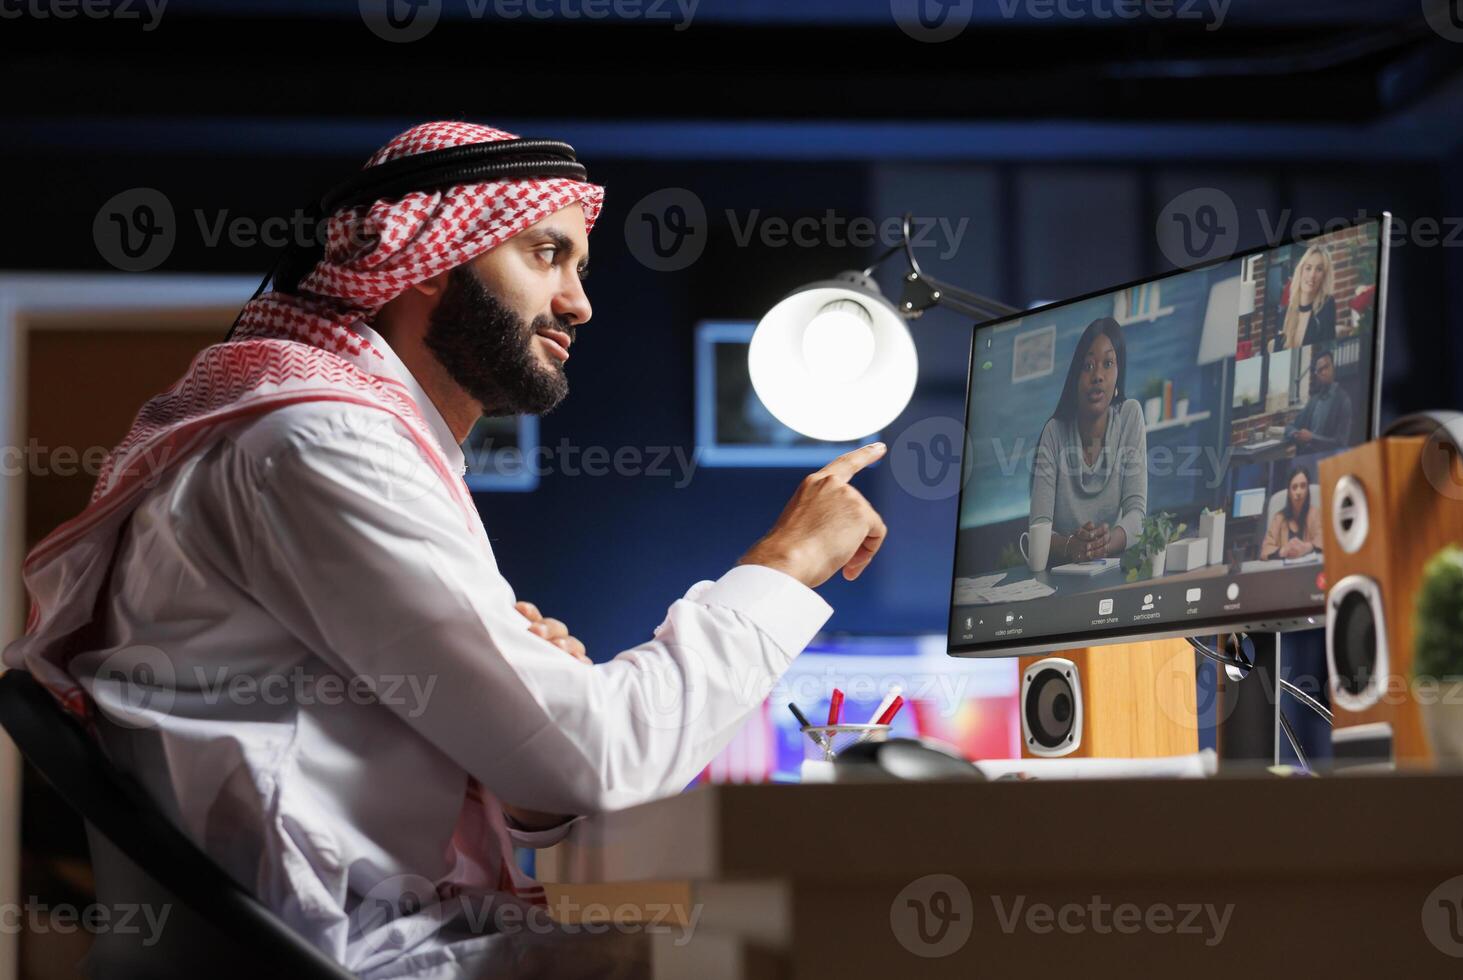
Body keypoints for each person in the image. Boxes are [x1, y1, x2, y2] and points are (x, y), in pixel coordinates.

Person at [2, 122, 890, 980]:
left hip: (354, 936)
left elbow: (555, 772)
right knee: (804, 953)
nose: (580, 302)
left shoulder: (352, 442)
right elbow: (606, 759)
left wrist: (531, 761)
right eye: (547, 255)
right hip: (352, 953)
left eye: (579, 267)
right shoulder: (319, 445)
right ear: (425, 261)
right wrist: (784, 565)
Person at [1029, 316, 1148, 565]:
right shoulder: (1054, 432)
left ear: (1119, 373)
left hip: (1110, 569)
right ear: (1076, 378)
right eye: (1088, 366)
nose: (1098, 376)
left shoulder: (1130, 416)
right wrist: (1072, 546)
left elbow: (1137, 514)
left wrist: (1104, 544)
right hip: (1061, 574)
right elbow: (1039, 527)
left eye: (1108, 363)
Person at [1286, 346, 1354, 450]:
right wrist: (1295, 434)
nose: (1324, 372)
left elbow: (1341, 442)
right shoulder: (1314, 400)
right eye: (1320, 370)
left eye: (1327, 367)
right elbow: (1291, 426)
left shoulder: (1343, 401)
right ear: (1316, 374)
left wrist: (1311, 438)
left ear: (1333, 367)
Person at [1277, 244, 1337, 351]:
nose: (1312, 275)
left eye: (1319, 269)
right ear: (1300, 271)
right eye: (1308, 268)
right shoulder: (1284, 313)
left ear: (1324, 276)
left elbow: (1327, 350)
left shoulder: (1327, 305)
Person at [1260, 464, 1322, 560]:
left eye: (1303, 486)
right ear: (1288, 492)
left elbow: (1324, 540)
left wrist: (1308, 547)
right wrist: (1282, 551)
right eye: (1294, 487)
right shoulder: (1279, 518)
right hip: (1284, 573)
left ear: (1308, 489)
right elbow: (1265, 549)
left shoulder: (1316, 514)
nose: (1298, 492)